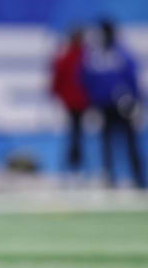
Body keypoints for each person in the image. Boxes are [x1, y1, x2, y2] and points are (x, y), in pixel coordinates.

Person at [82, 19, 145, 188]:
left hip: (124, 105)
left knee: (130, 142)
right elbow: (87, 80)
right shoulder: (94, 56)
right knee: (107, 143)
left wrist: (137, 103)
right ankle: (109, 178)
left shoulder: (122, 54)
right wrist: (92, 103)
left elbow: (132, 79)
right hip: (104, 106)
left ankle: (139, 178)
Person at [50, 27, 89, 173]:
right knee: (75, 133)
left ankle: (76, 166)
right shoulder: (73, 57)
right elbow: (58, 78)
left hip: (80, 102)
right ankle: (75, 166)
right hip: (75, 102)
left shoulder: (85, 57)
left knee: (76, 133)